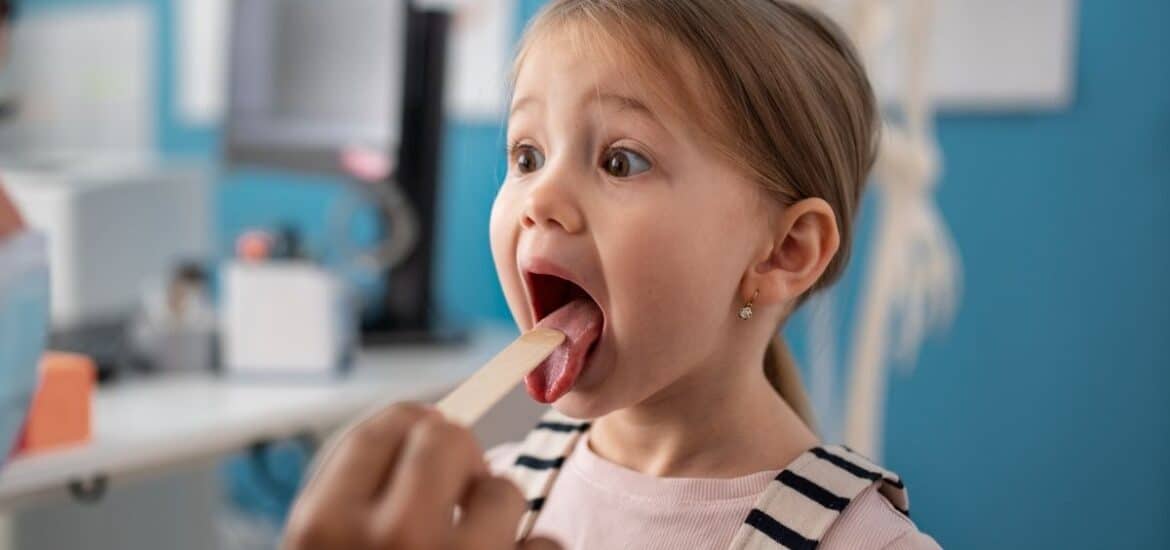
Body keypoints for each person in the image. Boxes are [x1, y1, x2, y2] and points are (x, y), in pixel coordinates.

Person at [287, 1, 940, 548]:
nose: (540, 200)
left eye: (621, 161)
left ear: (783, 252)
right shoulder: (493, 498)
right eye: (527, 154)